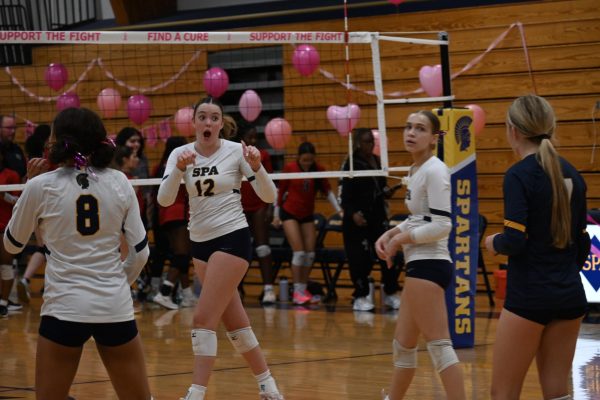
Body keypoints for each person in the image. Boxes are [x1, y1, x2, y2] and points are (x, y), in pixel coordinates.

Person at [3, 108, 152, 399]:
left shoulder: (39, 185)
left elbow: (12, 245)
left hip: (65, 307)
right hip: (114, 306)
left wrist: (27, 190)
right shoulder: (120, 181)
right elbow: (140, 253)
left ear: (58, 141)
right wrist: (116, 284)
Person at [157, 96, 284, 400]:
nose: (208, 123)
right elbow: (164, 199)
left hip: (232, 239)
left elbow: (269, 196)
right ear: (194, 122)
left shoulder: (236, 152)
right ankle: (268, 387)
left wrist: (257, 167)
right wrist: (178, 170)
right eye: (203, 117)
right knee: (236, 324)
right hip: (199, 243)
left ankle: (196, 393)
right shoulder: (180, 153)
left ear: (220, 124)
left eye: (214, 118)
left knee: (203, 318)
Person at [484, 94, 588, 400]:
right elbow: (582, 242)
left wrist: (492, 242)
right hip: (569, 295)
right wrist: (562, 273)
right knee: (557, 392)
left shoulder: (519, 175)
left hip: (530, 297)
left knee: (503, 392)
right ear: (551, 127)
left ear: (512, 130)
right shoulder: (573, 174)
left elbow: (515, 240)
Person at [375, 110, 466, 400]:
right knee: (403, 344)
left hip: (430, 264)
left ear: (433, 138)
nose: (411, 133)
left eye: (420, 129)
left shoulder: (436, 170)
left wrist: (400, 239)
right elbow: (422, 216)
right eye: (408, 126)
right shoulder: (416, 170)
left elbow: (442, 224)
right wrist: (391, 233)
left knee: (439, 346)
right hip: (419, 264)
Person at [340, 128, 402, 312]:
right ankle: (360, 296)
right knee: (359, 260)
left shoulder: (376, 161)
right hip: (356, 220)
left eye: (372, 142)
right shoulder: (350, 164)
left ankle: (390, 293)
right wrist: (353, 214)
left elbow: (380, 189)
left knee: (387, 254)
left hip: (377, 217)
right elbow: (344, 197)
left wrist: (389, 191)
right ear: (358, 142)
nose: (371, 145)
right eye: (367, 142)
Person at [273, 141, 341, 305]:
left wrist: (340, 210)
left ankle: (303, 289)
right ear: (298, 157)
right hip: (289, 213)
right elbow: (280, 193)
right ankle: (296, 291)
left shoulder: (318, 170)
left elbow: (328, 191)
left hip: (307, 214)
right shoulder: (290, 168)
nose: (307, 163)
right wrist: (276, 216)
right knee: (299, 252)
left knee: (310, 254)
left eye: (310, 160)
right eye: (304, 160)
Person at [150, 136, 195, 310]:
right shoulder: (182, 166)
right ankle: (165, 292)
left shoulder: (158, 167)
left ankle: (187, 295)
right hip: (178, 212)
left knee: (180, 254)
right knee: (183, 255)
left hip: (164, 215)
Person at [239, 125, 276, 305]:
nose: (253, 141)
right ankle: (236, 287)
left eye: (255, 138)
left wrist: (270, 207)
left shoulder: (263, 155)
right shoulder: (235, 154)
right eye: (249, 137)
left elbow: (268, 181)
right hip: (240, 206)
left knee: (262, 247)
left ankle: (268, 289)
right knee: (239, 248)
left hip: (259, 203)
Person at [17, 124, 52, 304]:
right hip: (46, 203)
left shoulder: (33, 155)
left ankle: (28, 280)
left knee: (44, 247)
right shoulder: (46, 159)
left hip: (35, 200)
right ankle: (47, 284)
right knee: (46, 246)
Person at [0, 147, 21, 317]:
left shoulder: (11, 175)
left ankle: (4, 303)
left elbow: (20, 202)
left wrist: (4, 196)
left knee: (6, 264)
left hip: (5, 226)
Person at [0, 114, 27, 180]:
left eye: (14, 128)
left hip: (18, 188)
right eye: (9, 128)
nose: (13, 131)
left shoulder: (17, 149)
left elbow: (24, 172)